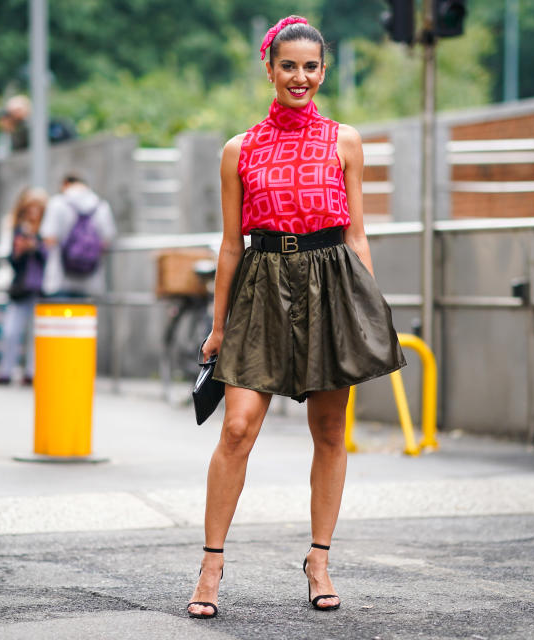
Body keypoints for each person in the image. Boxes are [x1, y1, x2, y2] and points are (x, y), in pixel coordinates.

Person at [186, 16, 405, 619]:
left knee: (330, 432)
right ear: (271, 69)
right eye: (290, 66)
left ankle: (319, 559)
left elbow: (357, 234)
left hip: (332, 283)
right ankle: (211, 563)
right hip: (260, 284)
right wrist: (219, 325)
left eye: (311, 67)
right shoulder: (240, 149)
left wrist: (370, 311)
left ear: (323, 71)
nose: (300, 77)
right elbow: (231, 245)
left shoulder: (345, 140)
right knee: (237, 429)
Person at [0, 187, 47, 385]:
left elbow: (51, 258)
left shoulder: (46, 230)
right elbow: (11, 260)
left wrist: (36, 247)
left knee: (36, 332)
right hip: (20, 287)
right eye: (30, 207)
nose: (33, 212)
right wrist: (19, 251)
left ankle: (32, 371)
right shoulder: (17, 228)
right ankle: (6, 370)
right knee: (11, 330)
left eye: (37, 207)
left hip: (41, 287)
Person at [40, 175, 116, 299]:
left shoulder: (57, 203)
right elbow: (106, 241)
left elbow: (49, 239)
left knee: (59, 318)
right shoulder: (101, 206)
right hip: (91, 282)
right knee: (85, 318)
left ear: (65, 184)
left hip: (59, 280)